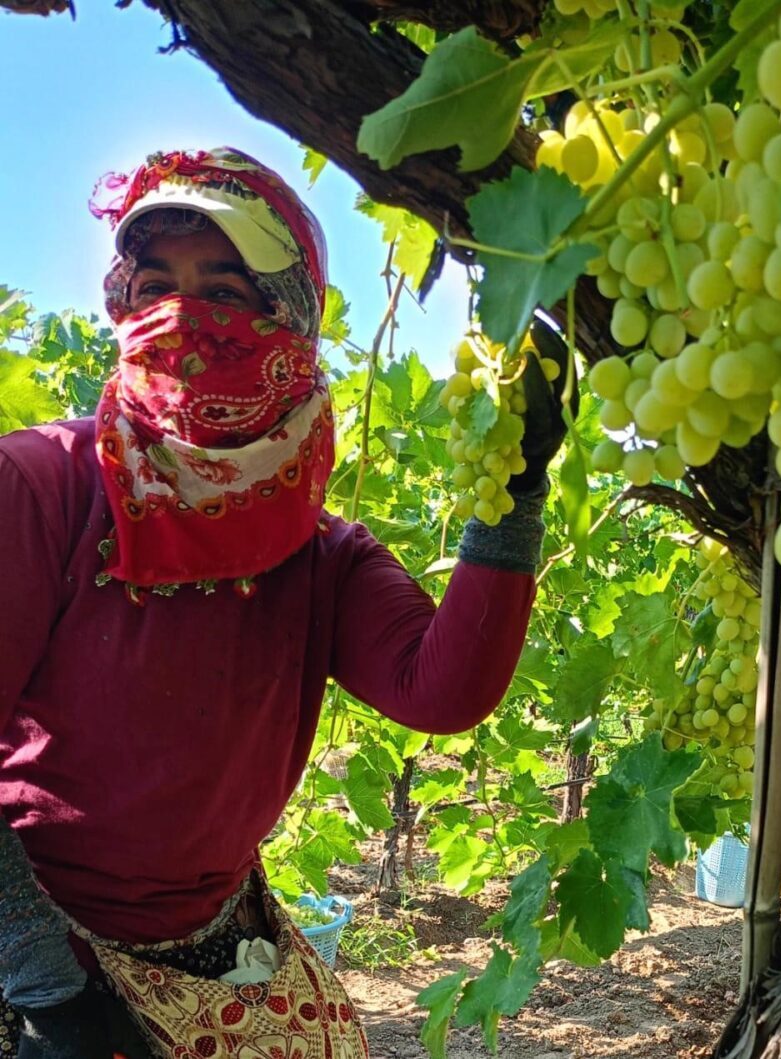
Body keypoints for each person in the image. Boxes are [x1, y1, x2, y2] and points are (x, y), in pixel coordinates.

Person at [0, 147, 571, 1056]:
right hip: (40, 947)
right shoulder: (40, 487)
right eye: (154, 289)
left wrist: (515, 490)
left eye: (227, 292)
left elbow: (442, 690)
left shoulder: (320, 553)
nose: (185, 321)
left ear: (292, 317)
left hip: (218, 929)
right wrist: (48, 995)